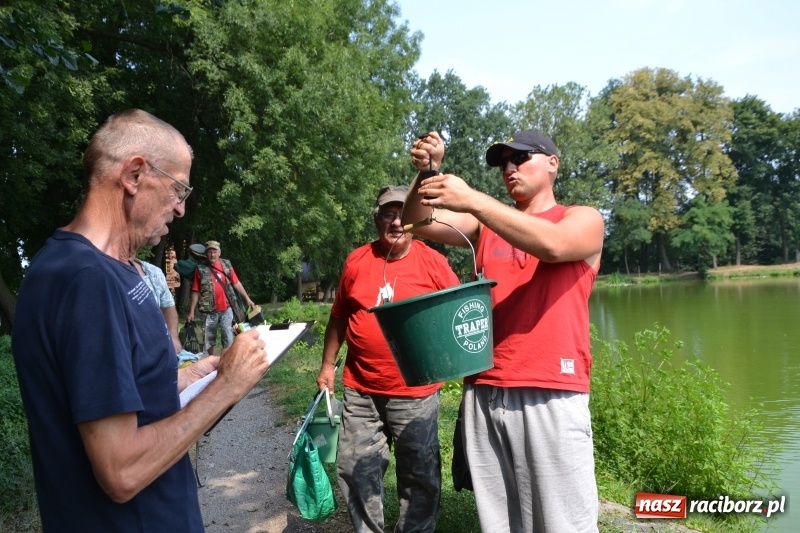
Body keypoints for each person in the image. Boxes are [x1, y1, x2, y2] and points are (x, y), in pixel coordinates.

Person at [11, 109, 270, 532]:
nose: (182, 209)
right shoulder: (86, 282)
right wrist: (227, 386)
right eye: (179, 189)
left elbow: (124, 391)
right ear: (134, 174)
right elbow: (122, 471)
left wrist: (198, 375)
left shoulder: (117, 270)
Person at [404, 131, 605, 533]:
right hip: (485, 388)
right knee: (502, 524)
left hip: (550, 390)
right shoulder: (486, 228)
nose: (509, 168)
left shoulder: (582, 218)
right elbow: (417, 220)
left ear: (553, 163)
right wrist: (427, 172)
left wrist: (474, 199)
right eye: (502, 163)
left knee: (565, 524)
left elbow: (553, 246)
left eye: (521, 157)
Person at [316, 185, 460, 533]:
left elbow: (457, 315)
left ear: (415, 220)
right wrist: (326, 365)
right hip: (361, 388)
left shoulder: (433, 262)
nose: (396, 222)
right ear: (376, 218)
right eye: (387, 214)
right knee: (356, 468)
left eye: (402, 214)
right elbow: (339, 316)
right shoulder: (356, 260)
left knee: (420, 475)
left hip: (416, 392)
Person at [187, 240, 255, 355]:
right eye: (209, 252)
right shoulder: (200, 269)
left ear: (219, 252)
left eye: (214, 251)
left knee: (228, 336)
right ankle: (211, 359)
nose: (212, 254)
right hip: (208, 312)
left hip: (226, 309)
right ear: (206, 254)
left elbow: (236, 283)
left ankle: (226, 359)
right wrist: (191, 311)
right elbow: (195, 291)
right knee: (209, 339)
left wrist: (247, 299)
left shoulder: (226, 265)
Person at [133, 258, 182, 354]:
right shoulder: (102, 271)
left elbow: (168, 307)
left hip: (154, 353)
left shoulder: (153, 272)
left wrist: (173, 336)